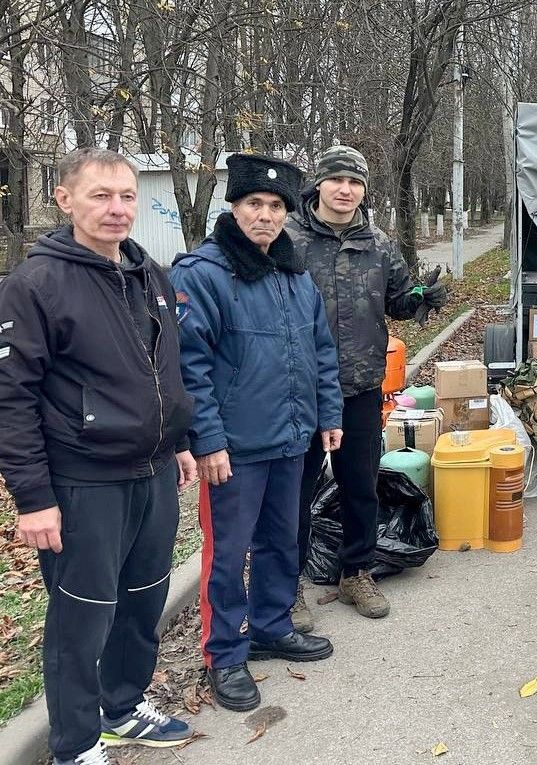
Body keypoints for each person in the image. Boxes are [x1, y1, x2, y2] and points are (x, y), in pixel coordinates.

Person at [0, 148, 196, 764]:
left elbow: (164, 371)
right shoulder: (35, 285)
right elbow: (11, 398)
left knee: (142, 602)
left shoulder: (150, 274)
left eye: (127, 196)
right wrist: (34, 499)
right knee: (81, 621)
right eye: (100, 196)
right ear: (64, 199)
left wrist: (179, 442)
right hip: (83, 482)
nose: (116, 209)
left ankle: (122, 707)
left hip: (153, 474)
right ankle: (75, 743)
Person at [171, 153, 343, 712]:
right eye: (254, 204)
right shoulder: (203, 274)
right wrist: (209, 441)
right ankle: (224, 654)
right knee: (228, 553)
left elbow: (320, 350)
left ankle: (271, 625)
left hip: (291, 437)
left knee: (280, 540)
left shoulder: (293, 273)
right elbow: (189, 368)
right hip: (235, 450)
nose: (265, 216)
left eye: (275, 206)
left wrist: (329, 415)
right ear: (234, 206)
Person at [287, 145, 447, 628]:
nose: (345, 190)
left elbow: (399, 301)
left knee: (361, 484)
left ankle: (356, 570)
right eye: (336, 180)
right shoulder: (287, 239)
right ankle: (287, 584)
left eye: (355, 182)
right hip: (300, 387)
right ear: (318, 185)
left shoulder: (378, 243)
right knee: (293, 489)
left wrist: (422, 295)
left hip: (358, 385)